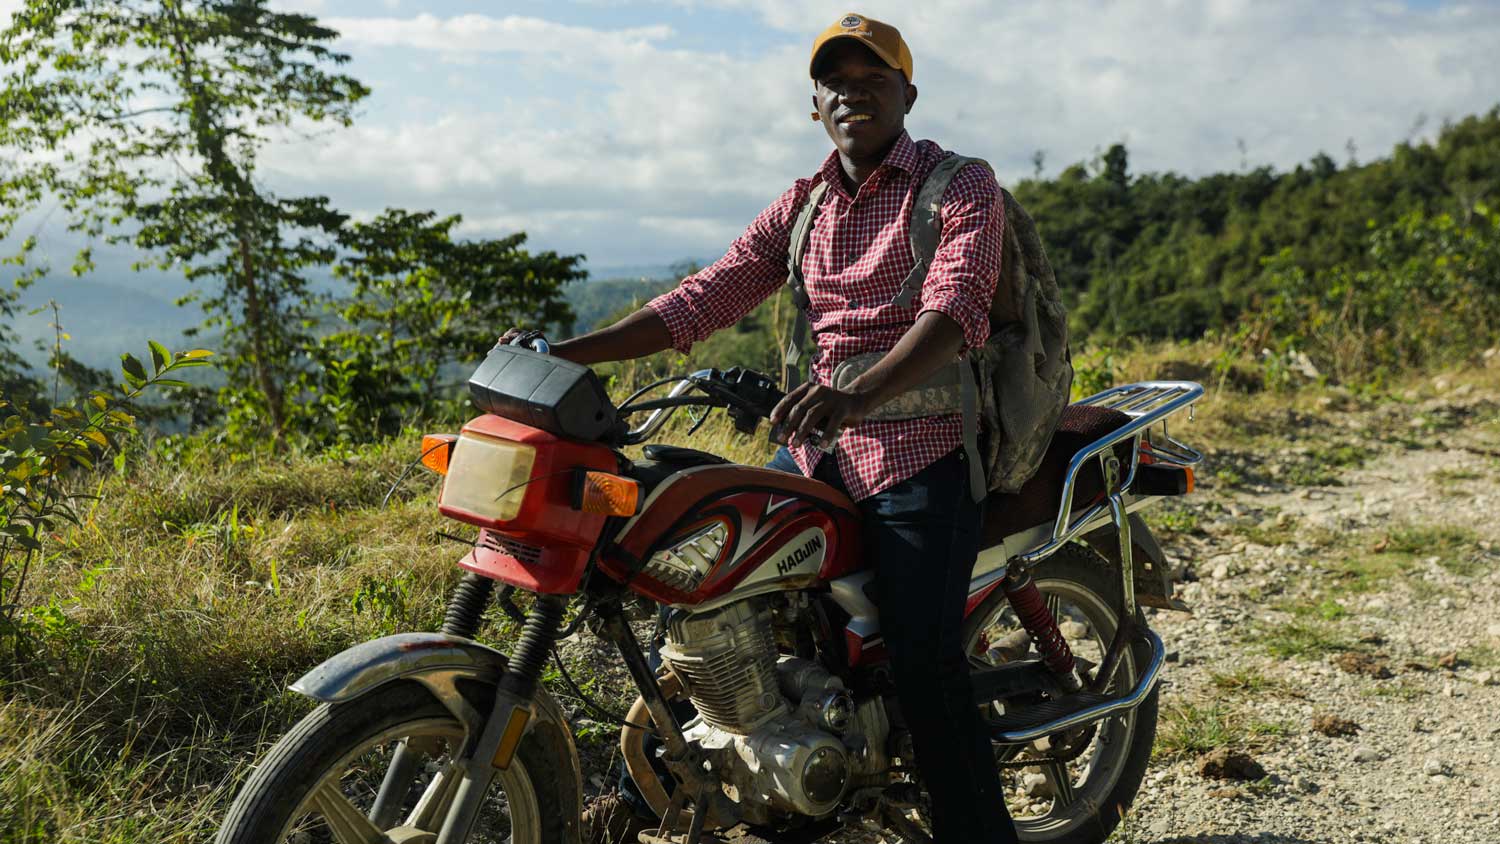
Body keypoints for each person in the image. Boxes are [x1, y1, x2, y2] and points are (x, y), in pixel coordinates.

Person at [506, 13, 1017, 843]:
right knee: (712, 576)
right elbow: (705, 296)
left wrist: (859, 392)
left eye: (873, 78)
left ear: (908, 95)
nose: (854, 93)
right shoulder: (804, 205)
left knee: (925, 665)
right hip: (821, 446)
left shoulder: (958, 185)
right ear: (814, 104)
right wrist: (565, 352)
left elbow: (955, 312)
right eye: (837, 82)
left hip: (923, 451)